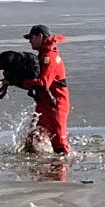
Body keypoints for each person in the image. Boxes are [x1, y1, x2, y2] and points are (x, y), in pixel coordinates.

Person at [18, 24, 71, 154]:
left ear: (40, 37)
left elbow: (43, 83)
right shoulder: (43, 55)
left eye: (31, 37)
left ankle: (63, 169)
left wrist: (20, 82)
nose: (29, 41)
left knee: (59, 142)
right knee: (33, 139)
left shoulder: (50, 58)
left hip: (56, 104)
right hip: (44, 103)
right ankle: (44, 166)